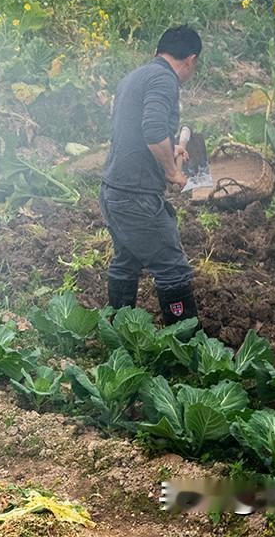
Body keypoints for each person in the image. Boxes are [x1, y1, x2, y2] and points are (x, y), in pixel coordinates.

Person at [99, 25, 201, 325]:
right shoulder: (164, 79)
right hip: (136, 196)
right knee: (172, 268)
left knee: (127, 262)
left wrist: (170, 152)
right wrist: (173, 172)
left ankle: (119, 332)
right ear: (191, 59)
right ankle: (187, 345)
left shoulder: (135, 76)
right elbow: (153, 130)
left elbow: (130, 130)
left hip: (113, 190)